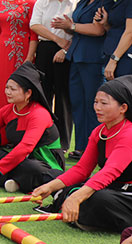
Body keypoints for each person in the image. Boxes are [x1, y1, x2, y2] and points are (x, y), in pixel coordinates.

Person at [32, 77, 132, 232]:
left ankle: (81, 210)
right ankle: (80, 210)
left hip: (126, 193)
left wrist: (77, 197)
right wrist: (50, 187)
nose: (97, 107)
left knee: (99, 199)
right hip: (112, 187)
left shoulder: (129, 134)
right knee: (62, 186)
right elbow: (81, 169)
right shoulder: (99, 132)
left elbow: (110, 171)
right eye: (95, 102)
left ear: (123, 108)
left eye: (104, 103)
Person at [0, 62, 65, 193]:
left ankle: (11, 178)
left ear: (28, 93)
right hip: (18, 159)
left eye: (13, 89)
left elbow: (26, 147)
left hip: (43, 162)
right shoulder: (8, 110)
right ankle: (16, 180)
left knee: (31, 168)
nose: (7, 92)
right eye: (7, 88)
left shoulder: (39, 114)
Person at [52, 0, 113, 158]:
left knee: (93, 104)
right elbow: (76, 27)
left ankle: (94, 147)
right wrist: (67, 27)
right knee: (77, 102)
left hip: (93, 59)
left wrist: (72, 25)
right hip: (76, 57)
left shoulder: (106, 4)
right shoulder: (84, 3)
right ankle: (80, 146)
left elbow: (98, 30)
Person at [30, 0, 79, 152]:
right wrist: (57, 39)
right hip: (46, 49)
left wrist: (65, 49)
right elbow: (34, 24)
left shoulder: (76, 3)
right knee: (43, 94)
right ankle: (42, 137)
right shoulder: (43, 0)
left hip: (67, 51)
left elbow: (78, 30)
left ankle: (63, 143)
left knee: (63, 97)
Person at [0, 0, 37, 107]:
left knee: (18, 88)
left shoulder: (30, 3)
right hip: (2, 52)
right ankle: (1, 126)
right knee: (1, 89)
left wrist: (29, 57)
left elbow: (33, 34)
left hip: (20, 52)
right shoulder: (1, 3)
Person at [96, 0, 132, 81]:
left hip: (124, 58)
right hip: (113, 53)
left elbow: (130, 32)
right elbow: (117, 29)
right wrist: (105, 23)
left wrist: (114, 60)